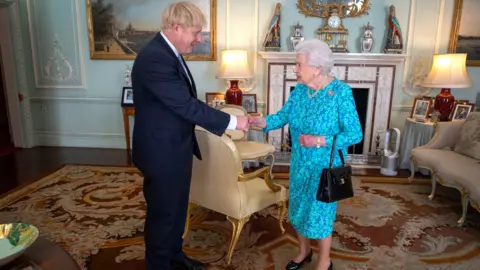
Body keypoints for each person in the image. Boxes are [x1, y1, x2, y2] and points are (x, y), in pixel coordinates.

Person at [130, 2, 250, 270]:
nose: (199, 39)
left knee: (175, 210)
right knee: (163, 216)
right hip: (161, 152)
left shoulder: (168, 53)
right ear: (176, 28)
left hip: (173, 147)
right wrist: (234, 120)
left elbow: (182, 103)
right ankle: (160, 265)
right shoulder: (155, 58)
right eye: (196, 33)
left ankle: (175, 259)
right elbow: (185, 104)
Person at [250, 39, 363, 270]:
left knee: (320, 214)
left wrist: (319, 140)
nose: (295, 69)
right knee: (299, 209)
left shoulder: (340, 93)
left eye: (299, 64)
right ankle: (304, 251)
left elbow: (355, 134)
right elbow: (281, 117)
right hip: (299, 164)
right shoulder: (301, 91)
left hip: (325, 167)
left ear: (317, 68)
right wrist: (258, 121)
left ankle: (324, 260)